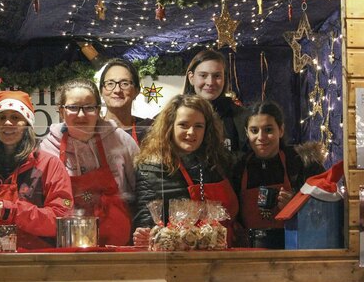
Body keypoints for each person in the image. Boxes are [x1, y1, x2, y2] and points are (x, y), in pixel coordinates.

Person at [0, 91, 74, 249]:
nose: (7, 123)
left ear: (27, 124)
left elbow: (61, 219)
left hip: (37, 259)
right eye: (1, 117)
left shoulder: (49, 164)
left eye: (15, 117)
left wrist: (13, 212)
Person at [40, 78, 139, 246]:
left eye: (89, 108)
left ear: (99, 110)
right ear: (61, 111)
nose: (81, 115)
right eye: (73, 107)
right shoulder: (47, 148)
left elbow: (141, 189)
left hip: (118, 247)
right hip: (68, 245)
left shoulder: (120, 139)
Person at [133, 94, 239, 247]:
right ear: (170, 126)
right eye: (183, 125)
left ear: (207, 129)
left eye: (198, 126)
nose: (191, 132)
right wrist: (144, 235)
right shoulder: (151, 168)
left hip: (222, 254)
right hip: (175, 258)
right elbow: (146, 218)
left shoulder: (221, 163)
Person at [231, 100, 325, 249]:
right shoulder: (238, 168)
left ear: (280, 130)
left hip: (294, 249)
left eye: (268, 130)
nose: (261, 137)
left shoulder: (302, 163)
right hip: (250, 254)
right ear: (246, 133)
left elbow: (324, 214)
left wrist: (296, 208)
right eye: (254, 130)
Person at [183, 48, 248, 155]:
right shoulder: (174, 116)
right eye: (203, 75)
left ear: (225, 78)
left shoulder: (242, 117)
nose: (210, 82)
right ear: (191, 78)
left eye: (217, 76)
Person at [99, 58, 153, 144]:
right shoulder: (90, 129)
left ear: (137, 91)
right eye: (110, 84)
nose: (117, 90)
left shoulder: (149, 130)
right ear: (101, 91)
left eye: (125, 84)